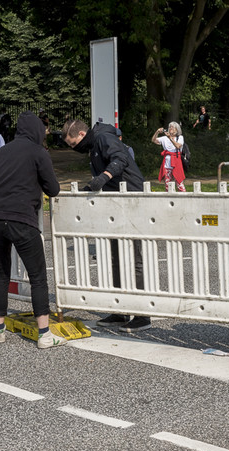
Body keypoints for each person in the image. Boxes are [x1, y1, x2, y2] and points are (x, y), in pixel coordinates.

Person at [0, 111, 66, 348]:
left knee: (1, 275)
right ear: (36, 130)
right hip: (20, 218)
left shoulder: (0, 153)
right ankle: (44, 334)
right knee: (37, 276)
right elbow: (53, 189)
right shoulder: (38, 152)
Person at [61, 119, 151, 333]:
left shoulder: (103, 138)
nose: (74, 149)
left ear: (82, 134)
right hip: (114, 202)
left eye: (73, 144)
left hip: (130, 199)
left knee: (134, 258)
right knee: (115, 256)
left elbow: (120, 159)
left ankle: (142, 314)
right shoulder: (94, 145)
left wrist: (103, 178)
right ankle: (121, 310)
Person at [152, 122, 186, 192]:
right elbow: (153, 140)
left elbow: (178, 146)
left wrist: (170, 138)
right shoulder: (164, 138)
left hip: (176, 163)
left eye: (172, 127)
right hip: (167, 164)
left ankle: (184, 198)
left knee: (180, 184)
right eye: (169, 127)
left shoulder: (180, 137)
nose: (170, 128)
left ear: (176, 130)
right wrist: (157, 132)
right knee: (168, 184)